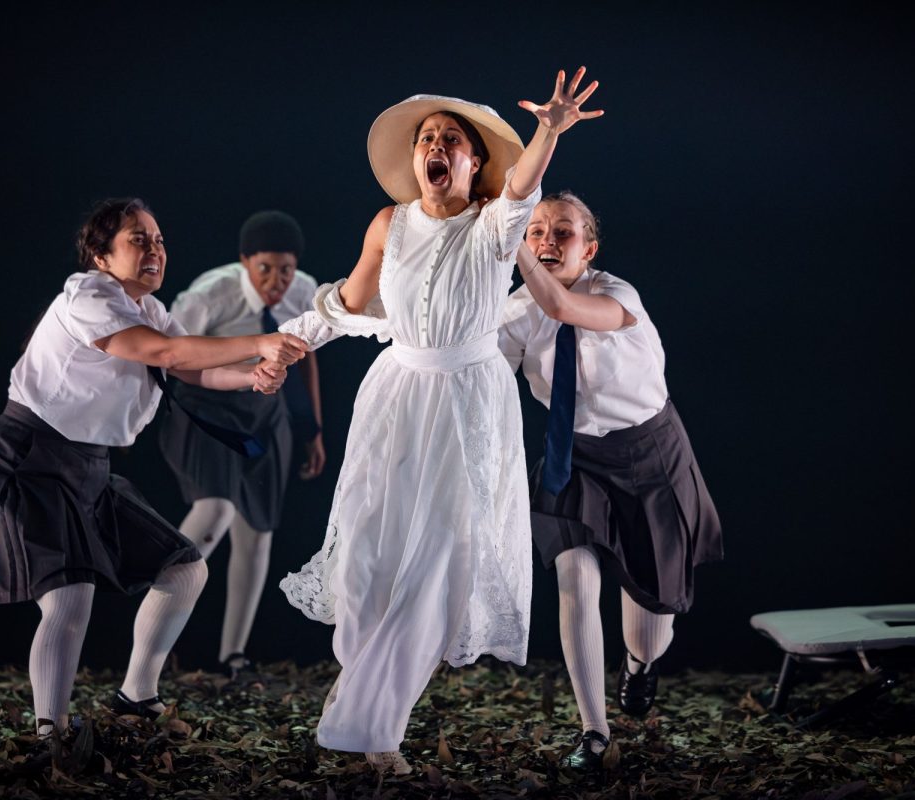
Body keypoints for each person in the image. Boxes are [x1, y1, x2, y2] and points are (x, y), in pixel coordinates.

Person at [277, 68, 603, 775]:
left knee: (435, 567)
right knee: (364, 559)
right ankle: (364, 695)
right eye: (428, 137)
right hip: (396, 394)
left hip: (467, 402)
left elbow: (524, 190)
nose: (437, 145)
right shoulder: (389, 224)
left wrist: (548, 129)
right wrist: (289, 343)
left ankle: (373, 729)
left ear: (474, 161)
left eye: (451, 139)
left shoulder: (494, 224)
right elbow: (348, 305)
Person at [0, 198, 306, 741]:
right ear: (100, 256)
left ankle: (135, 696)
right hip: (31, 462)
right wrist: (258, 343)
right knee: (70, 599)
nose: (155, 250)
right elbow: (165, 353)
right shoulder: (88, 295)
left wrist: (252, 375)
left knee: (186, 570)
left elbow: (191, 369)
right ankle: (52, 734)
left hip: (89, 468)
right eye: (139, 240)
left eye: (159, 240)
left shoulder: (151, 310)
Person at [498, 192, 723, 769]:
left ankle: (640, 667)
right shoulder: (517, 310)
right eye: (536, 230)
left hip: (647, 456)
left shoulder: (616, 294)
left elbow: (564, 311)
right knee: (574, 579)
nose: (547, 241)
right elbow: (476, 371)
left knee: (649, 628)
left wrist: (512, 240)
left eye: (561, 232)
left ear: (588, 247)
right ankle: (593, 732)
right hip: (571, 458)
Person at [157, 210, 325, 681]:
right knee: (214, 512)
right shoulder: (213, 291)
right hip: (205, 403)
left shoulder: (303, 289)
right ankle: (150, 627)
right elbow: (171, 353)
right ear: (245, 261)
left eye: (285, 269)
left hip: (264, 411)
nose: (276, 281)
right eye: (265, 268)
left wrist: (311, 427)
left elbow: (305, 357)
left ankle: (234, 657)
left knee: (257, 533)